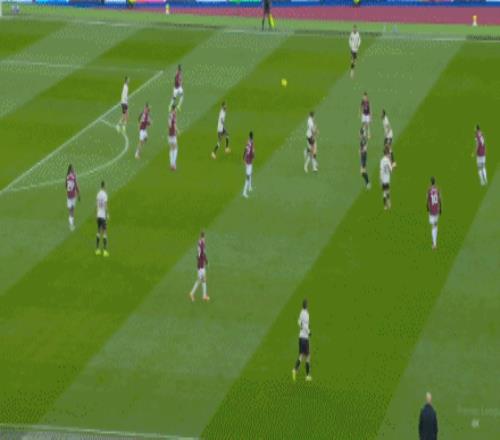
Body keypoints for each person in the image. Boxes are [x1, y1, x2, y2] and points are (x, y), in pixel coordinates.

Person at [292, 299, 312, 382]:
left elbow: (299, 322)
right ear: (306, 305)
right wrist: (309, 332)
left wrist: (302, 326)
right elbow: (305, 325)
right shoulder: (306, 314)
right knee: (307, 357)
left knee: (301, 355)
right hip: (305, 338)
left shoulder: (301, 312)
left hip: (300, 337)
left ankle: (295, 369)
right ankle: (307, 376)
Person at [189, 231, 210, 302]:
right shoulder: (202, 244)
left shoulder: (199, 242)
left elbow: (199, 255)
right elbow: (202, 254)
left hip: (200, 264)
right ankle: (193, 294)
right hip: (201, 266)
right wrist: (206, 261)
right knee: (200, 280)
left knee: (202, 280)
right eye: (204, 237)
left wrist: (200, 259)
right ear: (203, 237)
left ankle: (203, 295)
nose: (205, 239)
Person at [95, 181, 109, 257]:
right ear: (104, 186)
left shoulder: (98, 194)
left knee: (98, 231)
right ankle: (105, 251)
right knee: (104, 232)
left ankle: (97, 249)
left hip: (98, 215)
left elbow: (97, 205)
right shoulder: (105, 195)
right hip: (103, 216)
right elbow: (105, 205)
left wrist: (96, 215)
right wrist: (107, 214)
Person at [427, 177, 441, 250]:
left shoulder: (429, 189)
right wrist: (440, 208)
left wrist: (427, 207)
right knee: (435, 225)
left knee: (433, 226)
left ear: (430, 182)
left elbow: (428, 200)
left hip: (432, 210)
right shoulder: (437, 189)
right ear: (434, 182)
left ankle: (434, 244)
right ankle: (434, 242)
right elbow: (439, 199)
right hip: (437, 209)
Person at [65, 164, 80, 231]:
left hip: (68, 195)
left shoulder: (67, 176)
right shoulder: (73, 176)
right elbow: (76, 185)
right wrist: (79, 194)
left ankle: (71, 224)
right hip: (73, 195)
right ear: (71, 169)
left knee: (70, 211)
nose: (74, 169)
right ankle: (71, 225)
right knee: (72, 210)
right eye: (73, 168)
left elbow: (65, 185)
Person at [380, 146, 393, 210]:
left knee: (384, 192)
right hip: (387, 179)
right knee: (387, 191)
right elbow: (391, 170)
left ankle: (385, 206)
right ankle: (389, 203)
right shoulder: (388, 160)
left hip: (383, 179)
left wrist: (381, 178)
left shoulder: (382, 160)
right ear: (387, 153)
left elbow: (381, 170)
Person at [242, 131, 255, 198]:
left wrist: (243, 158)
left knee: (250, 173)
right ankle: (244, 192)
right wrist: (253, 156)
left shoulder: (248, 142)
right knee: (247, 176)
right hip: (249, 161)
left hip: (247, 161)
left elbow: (245, 149)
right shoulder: (251, 143)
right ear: (252, 137)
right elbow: (251, 153)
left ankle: (249, 187)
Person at [168, 104, 179, 171]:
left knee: (171, 148)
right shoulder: (174, 116)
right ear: (174, 109)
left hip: (169, 133)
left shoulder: (170, 115)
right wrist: (177, 131)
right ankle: (173, 165)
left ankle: (171, 164)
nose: (176, 110)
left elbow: (169, 125)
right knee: (175, 148)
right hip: (173, 133)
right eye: (175, 109)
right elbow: (174, 125)